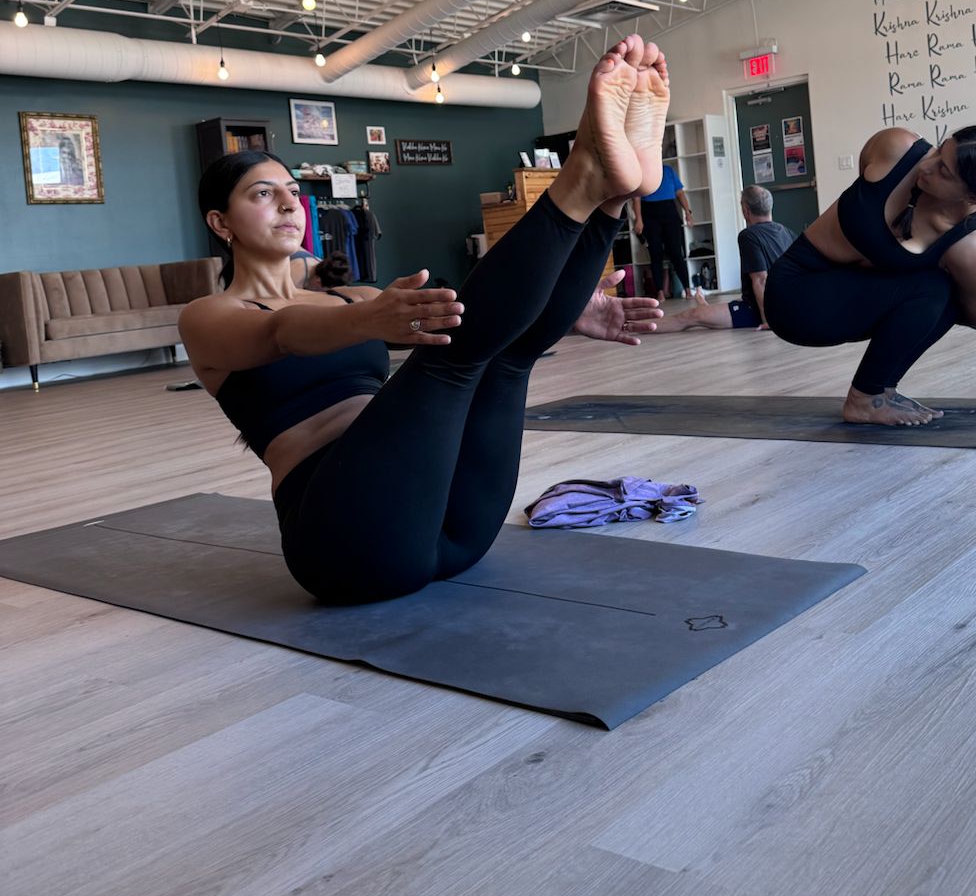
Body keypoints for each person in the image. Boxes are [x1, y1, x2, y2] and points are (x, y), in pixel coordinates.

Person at [179, 35, 670, 605]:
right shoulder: (210, 316)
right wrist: (366, 321)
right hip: (347, 540)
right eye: (263, 195)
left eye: (292, 191)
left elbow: (474, 314)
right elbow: (279, 332)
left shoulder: (354, 296)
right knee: (451, 359)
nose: (291, 204)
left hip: (450, 520)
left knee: (506, 354)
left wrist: (565, 308)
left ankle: (610, 199)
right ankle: (584, 178)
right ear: (221, 223)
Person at [763, 124, 976, 428]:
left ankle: (880, 390)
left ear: (973, 195)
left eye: (944, 171)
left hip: (847, 300)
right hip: (795, 293)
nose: (927, 165)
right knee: (932, 287)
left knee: (944, 288)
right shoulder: (896, 146)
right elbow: (865, 176)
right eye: (940, 149)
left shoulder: (967, 242)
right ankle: (865, 399)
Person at [655, 185, 796, 332]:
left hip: (758, 311)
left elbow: (761, 279)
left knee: (689, 316)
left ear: (746, 210)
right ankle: (705, 307)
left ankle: (630, 326)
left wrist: (769, 321)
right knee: (710, 313)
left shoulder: (749, 235)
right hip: (787, 308)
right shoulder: (787, 232)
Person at [631, 157, 701, 301]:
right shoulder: (641, 173)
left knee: (676, 253)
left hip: (669, 212)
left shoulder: (668, 170)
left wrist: (688, 213)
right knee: (655, 253)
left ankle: (688, 290)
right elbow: (636, 198)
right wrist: (639, 219)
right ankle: (660, 292)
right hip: (649, 213)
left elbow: (680, 193)